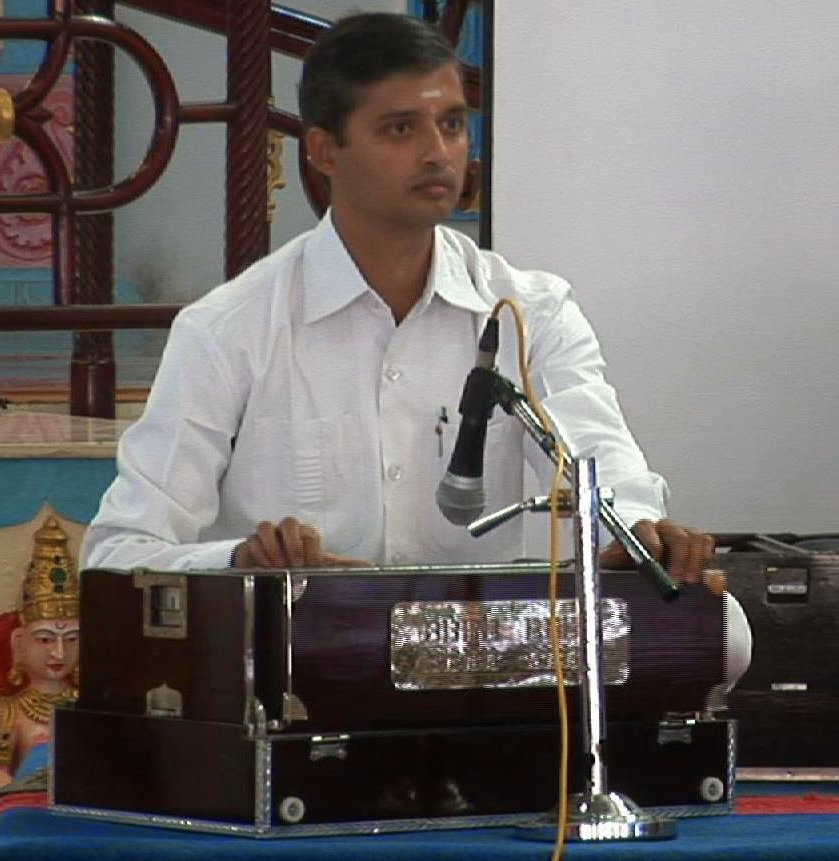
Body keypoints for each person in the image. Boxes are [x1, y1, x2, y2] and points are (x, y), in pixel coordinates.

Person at [80, 13, 716, 584]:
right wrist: (239, 563)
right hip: (301, 662)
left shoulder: (530, 312)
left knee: (727, 630)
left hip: (479, 657)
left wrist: (639, 533)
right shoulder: (228, 330)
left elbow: (601, 464)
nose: (438, 153)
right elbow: (117, 553)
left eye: (452, 125)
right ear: (324, 150)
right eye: (400, 129)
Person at [0, 517, 79, 798]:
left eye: (71, 639)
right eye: (45, 639)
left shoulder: (89, 706)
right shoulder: (7, 713)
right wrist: (20, 799)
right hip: (26, 810)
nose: (59, 652)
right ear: (18, 642)